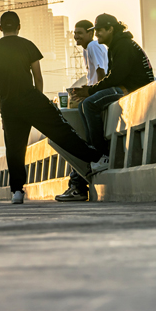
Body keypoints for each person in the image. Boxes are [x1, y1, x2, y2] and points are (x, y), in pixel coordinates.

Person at [0, 11, 102, 205]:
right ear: (18, 26)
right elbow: (38, 77)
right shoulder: (27, 45)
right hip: (31, 99)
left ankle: (17, 191)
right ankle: (96, 158)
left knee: (14, 148)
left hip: (9, 106)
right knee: (61, 132)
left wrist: (2, 108)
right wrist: (38, 99)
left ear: (0, 28)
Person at [70, 14, 156, 171]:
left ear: (110, 29)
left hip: (135, 90)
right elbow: (113, 76)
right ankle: (93, 153)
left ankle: (103, 156)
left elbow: (116, 77)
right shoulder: (115, 46)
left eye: (100, 31)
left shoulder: (123, 46)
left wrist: (91, 90)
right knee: (84, 105)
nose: (97, 35)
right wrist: (91, 91)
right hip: (124, 87)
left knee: (89, 104)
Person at [56, 20, 109, 202]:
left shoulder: (94, 46)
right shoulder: (88, 49)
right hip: (94, 96)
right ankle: (76, 183)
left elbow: (102, 72)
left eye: (79, 33)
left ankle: (78, 183)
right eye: (74, 33)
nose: (76, 36)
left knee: (79, 135)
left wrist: (93, 95)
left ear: (90, 33)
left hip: (97, 99)